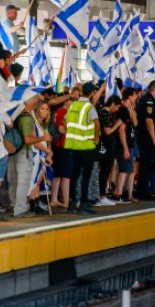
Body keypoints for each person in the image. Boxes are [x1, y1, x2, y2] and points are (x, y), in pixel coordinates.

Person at [8, 96, 49, 218]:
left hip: (12, 152)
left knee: (14, 181)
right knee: (23, 182)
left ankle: (14, 204)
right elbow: (27, 139)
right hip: (23, 153)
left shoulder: (15, 116)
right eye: (36, 102)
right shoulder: (27, 118)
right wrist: (43, 138)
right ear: (32, 104)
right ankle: (20, 209)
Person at [63, 82, 100, 214]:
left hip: (73, 145)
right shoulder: (89, 107)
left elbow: (65, 121)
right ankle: (84, 204)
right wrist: (96, 138)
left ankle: (72, 204)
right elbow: (96, 123)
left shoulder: (73, 105)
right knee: (86, 176)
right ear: (92, 93)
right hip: (86, 146)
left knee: (75, 174)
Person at [135, 81, 155, 201]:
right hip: (147, 139)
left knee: (147, 165)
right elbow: (149, 121)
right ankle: (143, 193)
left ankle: (144, 191)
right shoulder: (149, 101)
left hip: (147, 138)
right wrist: (154, 140)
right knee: (146, 165)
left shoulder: (147, 99)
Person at [97, 95, 122, 206]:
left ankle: (101, 194)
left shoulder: (105, 113)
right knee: (104, 171)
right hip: (104, 146)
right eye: (117, 107)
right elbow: (107, 131)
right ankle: (101, 195)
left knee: (105, 171)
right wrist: (117, 124)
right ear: (112, 104)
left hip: (107, 145)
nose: (117, 109)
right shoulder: (105, 113)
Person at [113, 87, 137, 203]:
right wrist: (126, 148)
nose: (136, 98)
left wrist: (131, 108)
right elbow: (121, 130)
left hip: (129, 143)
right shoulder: (122, 110)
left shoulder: (127, 110)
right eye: (135, 95)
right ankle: (118, 194)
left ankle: (120, 194)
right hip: (124, 145)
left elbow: (135, 123)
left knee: (127, 169)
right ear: (130, 96)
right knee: (124, 170)